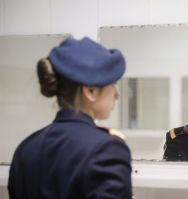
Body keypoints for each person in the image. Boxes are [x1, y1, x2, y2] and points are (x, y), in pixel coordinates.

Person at [8, 37, 132, 199]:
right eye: (112, 84)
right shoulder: (106, 149)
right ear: (91, 91)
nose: (117, 94)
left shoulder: (26, 148)